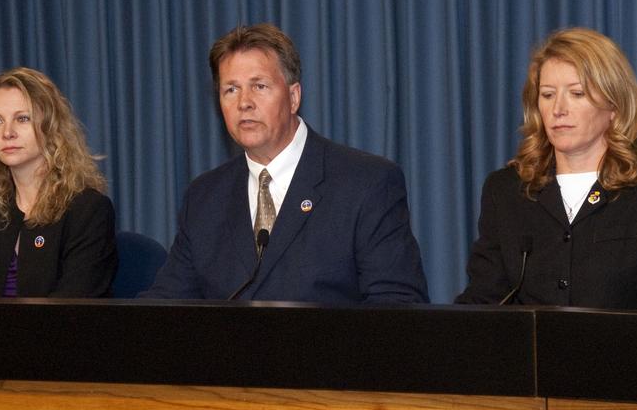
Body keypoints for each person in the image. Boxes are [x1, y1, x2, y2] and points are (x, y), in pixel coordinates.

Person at [142, 23, 428, 303]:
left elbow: (397, 304)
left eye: (259, 86)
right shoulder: (205, 197)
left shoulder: (366, 183)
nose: (244, 103)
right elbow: (165, 307)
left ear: (293, 97)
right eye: (231, 89)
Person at [456, 27, 637, 312]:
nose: (558, 109)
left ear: (614, 105)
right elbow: (483, 301)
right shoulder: (507, 190)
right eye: (547, 95)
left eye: (577, 93)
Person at [0, 67, 117, 297]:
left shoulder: (87, 210)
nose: (7, 132)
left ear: (51, 126)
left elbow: (75, 304)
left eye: (22, 119)